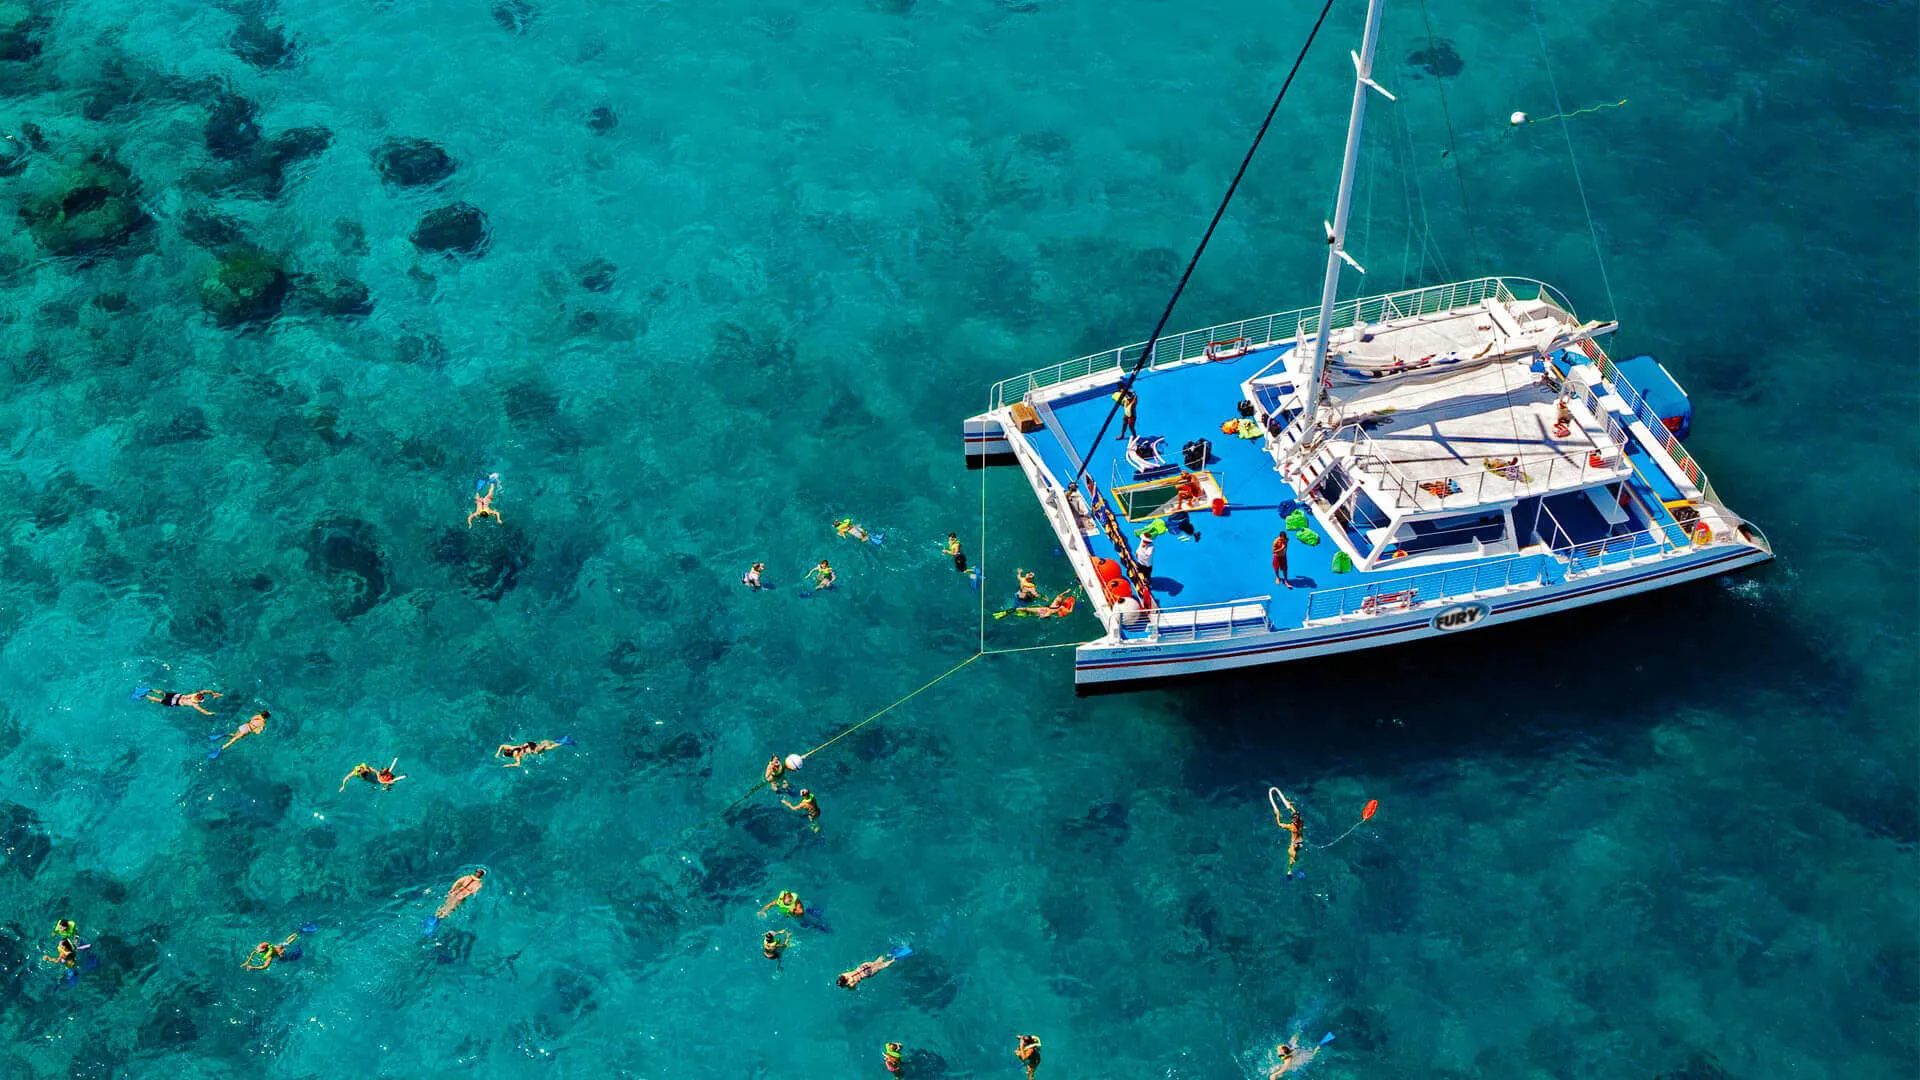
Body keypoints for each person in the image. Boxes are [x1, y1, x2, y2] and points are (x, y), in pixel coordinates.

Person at [1273, 790, 1305, 878]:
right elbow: (1295, 813)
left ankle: (1289, 872)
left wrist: (1277, 814)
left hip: (1295, 844)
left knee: (1292, 858)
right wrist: (1290, 806)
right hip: (1300, 842)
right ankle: (1294, 870)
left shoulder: (1291, 827)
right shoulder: (1301, 822)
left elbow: (1279, 824)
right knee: (1297, 857)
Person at [340, 758, 406, 791]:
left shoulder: (367, 768)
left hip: (373, 776)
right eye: (359, 770)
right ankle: (386, 784)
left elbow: (376, 772)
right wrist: (343, 786)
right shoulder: (355, 772)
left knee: (381, 780)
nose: (361, 770)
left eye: (361, 768)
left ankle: (387, 781)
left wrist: (379, 778)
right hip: (369, 779)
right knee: (379, 783)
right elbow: (345, 778)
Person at [496, 738, 568, 767]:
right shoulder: (511, 747)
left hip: (532, 750)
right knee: (542, 743)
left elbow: (518, 764)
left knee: (548, 748)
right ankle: (555, 741)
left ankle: (563, 742)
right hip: (529, 744)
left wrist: (509, 765)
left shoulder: (516, 756)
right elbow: (502, 746)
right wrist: (498, 753)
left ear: (510, 755)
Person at [146, 688, 221, 715]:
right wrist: (210, 713)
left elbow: (205, 691)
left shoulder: (196, 694)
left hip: (177, 696)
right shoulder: (194, 704)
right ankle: (145, 696)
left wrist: (213, 693)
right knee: (159, 700)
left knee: (162, 693)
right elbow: (202, 711)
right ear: (199, 700)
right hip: (175, 702)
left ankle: (150, 690)